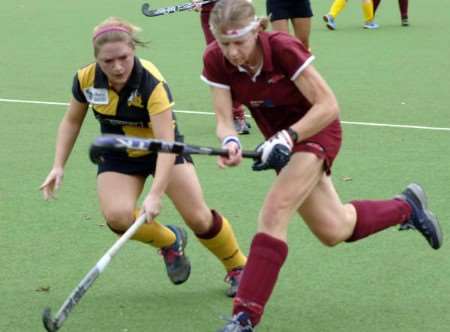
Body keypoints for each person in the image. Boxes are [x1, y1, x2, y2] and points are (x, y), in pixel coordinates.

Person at [200, 0, 443, 330]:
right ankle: (406, 208)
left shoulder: (283, 49)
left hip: (315, 129)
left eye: (239, 42)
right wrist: (229, 141)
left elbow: (328, 104)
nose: (232, 52)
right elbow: (224, 119)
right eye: (224, 43)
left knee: (275, 210)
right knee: (333, 229)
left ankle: (244, 318)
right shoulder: (215, 59)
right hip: (281, 141)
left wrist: (288, 137)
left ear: (257, 30)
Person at [40, 16, 246, 297]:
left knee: (199, 218)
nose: (118, 67)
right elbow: (72, 121)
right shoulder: (86, 79)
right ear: (97, 60)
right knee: (117, 216)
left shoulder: (151, 83)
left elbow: (165, 143)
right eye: (107, 62)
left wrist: (155, 193)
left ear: (133, 49)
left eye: (123, 57)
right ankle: (170, 241)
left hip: (163, 150)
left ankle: (237, 266)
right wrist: (58, 165)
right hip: (119, 152)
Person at [198, 0, 251, 134]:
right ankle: (236, 115)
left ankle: (237, 115)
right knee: (222, 62)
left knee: (236, 62)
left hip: (233, 11)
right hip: (209, 13)